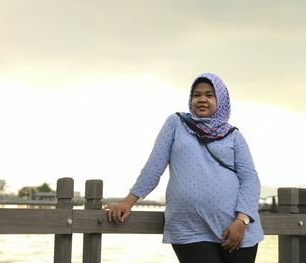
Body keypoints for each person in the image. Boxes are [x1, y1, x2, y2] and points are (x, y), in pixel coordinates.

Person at [105, 73, 264, 263]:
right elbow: (154, 167)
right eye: (196, 95)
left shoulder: (233, 136)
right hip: (189, 229)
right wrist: (128, 202)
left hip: (236, 230)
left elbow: (249, 178)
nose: (202, 99)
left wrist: (242, 221)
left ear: (221, 100)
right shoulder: (176, 124)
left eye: (209, 95)